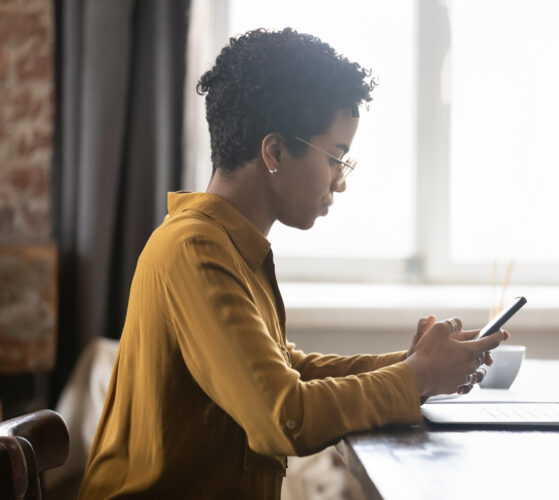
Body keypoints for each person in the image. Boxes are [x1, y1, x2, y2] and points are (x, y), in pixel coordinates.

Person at [78, 28, 507, 499]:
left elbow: (288, 369)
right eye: (335, 158)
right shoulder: (194, 251)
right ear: (275, 151)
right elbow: (284, 416)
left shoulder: (226, 245)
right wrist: (417, 376)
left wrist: (411, 364)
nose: (340, 183)